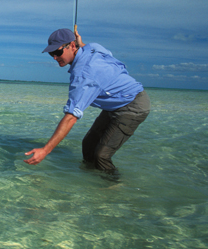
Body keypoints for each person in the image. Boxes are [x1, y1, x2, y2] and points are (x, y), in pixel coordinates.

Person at [24, 27, 150, 174]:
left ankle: (113, 188)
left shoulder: (84, 75)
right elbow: (98, 51)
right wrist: (81, 43)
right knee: (88, 144)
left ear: (71, 46)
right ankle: (91, 179)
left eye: (57, 52)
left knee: (101, 156)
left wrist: (45, 150)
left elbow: (71, 117)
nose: (54, 57)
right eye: (51, 53)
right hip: (115, 103)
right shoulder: (92, 48)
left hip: (133, 106)